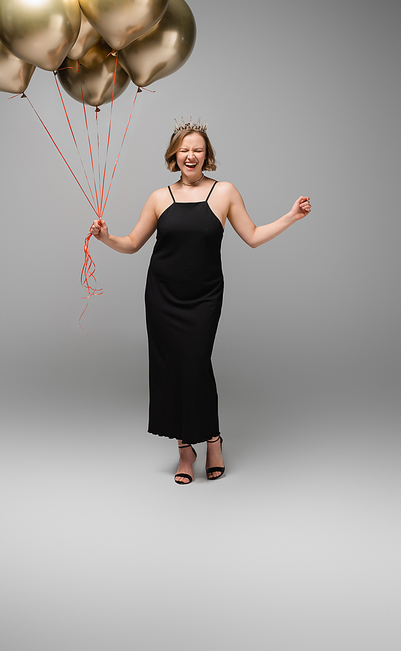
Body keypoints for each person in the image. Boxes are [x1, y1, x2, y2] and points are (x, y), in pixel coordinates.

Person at [90, 119, 311, 484]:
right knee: (170, 367)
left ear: (206, 156)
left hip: (204, 295)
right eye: (184, 149)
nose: (190, 155)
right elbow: (131, 244)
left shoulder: (224, 192)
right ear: (174, 155)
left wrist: (291, 216)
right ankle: (184, 450)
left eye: (198, 150)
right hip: (162, 295)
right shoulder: (159, 197)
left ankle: (212, 439)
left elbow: (252, 236)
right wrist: (105, 237)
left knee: (195, 363)